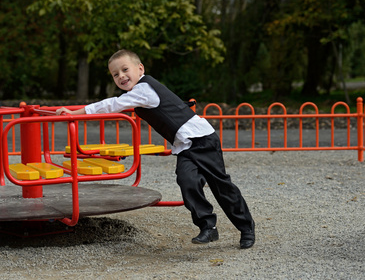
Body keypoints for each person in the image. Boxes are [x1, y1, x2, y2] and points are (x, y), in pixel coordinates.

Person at [56, 49, 255, 249]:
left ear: (140, 68)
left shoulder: (143, 89)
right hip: (186, 145)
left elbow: (113, 104)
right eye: (115, 74)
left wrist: (77, 112)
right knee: (187, 181)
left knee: (221, 186)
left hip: (202, 139)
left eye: (125, 70)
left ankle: (246, 228)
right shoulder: (140, 90)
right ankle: (208, 227)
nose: (121, 76)